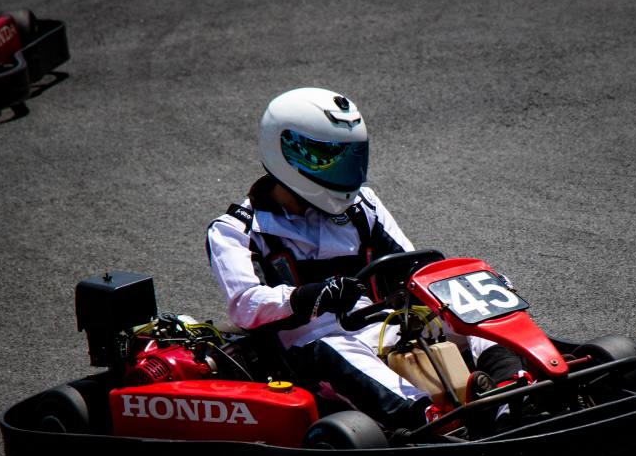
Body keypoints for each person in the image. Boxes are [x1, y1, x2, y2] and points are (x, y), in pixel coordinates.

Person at [207, 87, 524, 429]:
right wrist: (310, 296)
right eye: (328, 158)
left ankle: (513, 390)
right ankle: (431, 421)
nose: (343, 169)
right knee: (335, 351)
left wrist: (447, 287)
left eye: (349, 157)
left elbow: (411, 263)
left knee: (471, 294)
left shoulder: (362, 205)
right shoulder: (236, 229)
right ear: (287, 152)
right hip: (313, 345)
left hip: (382, 322)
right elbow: (245, 304)